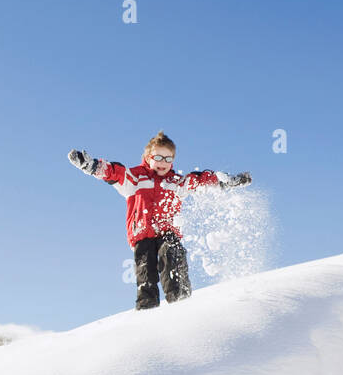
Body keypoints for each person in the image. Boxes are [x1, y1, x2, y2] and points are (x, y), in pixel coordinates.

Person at [68, 131, 251, 310]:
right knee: (145, 274)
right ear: (148, 157)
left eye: (168, 159)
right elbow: (114, 172)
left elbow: (199, 180)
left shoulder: (176, 182)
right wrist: (90, 166)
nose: (163, 163)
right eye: (158, 157)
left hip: (167, 231)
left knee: (172, 254)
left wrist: (224, 181)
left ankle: (181, 301)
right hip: (142, 234)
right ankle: (147, 313)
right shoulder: (134, 178)